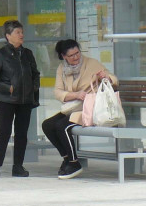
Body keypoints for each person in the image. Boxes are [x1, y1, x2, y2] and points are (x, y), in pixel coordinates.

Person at [40, 39, 118, 180]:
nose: (76, 57)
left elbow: (114, 80)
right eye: (71, 55)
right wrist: (75, 95)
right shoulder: (62, 69)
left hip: (90, 109)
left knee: (62, 126)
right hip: (74, 107)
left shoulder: (91, 63)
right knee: (47, 125)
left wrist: (106, 77)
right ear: (64, 56)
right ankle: (66, 158)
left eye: (77, 53)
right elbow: (57, 92)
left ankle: (74, 163)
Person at [0, 19, 40, 178]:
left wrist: (33, 87)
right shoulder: (0, 55)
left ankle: (18, 167)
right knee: (4, 132)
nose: (21, 35)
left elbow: (35, 74)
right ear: (8, 36)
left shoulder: (27, 53)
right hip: (7, 100)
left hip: (25, 99)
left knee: (22, 133)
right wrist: (7, 87)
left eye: (22, 32)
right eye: (17, 32)